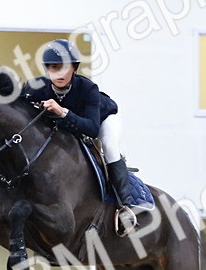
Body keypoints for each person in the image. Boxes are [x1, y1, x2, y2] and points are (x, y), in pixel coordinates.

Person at [23, 39, 151, 235]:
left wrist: (62, 111)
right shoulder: (34, 88)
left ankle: (125, 206)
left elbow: (91, 129)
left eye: (65, 67)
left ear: (74, 68)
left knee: (109, 147)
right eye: (54, 67)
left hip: (102, 120)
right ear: (47, 69)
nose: (59, 73)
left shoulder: (88, 88)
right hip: (69, 127)